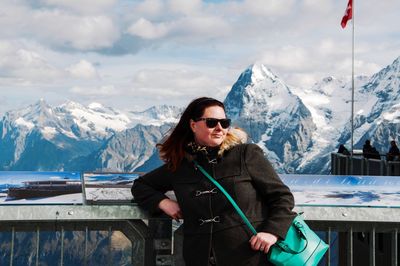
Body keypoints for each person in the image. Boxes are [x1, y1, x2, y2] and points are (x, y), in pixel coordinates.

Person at [132, 97, 296, 266]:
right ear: (193, 125)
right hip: (199, 259)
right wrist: (163, 202)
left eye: (224, 123)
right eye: (211, 122)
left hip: (251, 257)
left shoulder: (245, 154)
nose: (219, 128)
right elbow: (141, 186)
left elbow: (282, 197)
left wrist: (272, 232)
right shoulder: (181, 166)